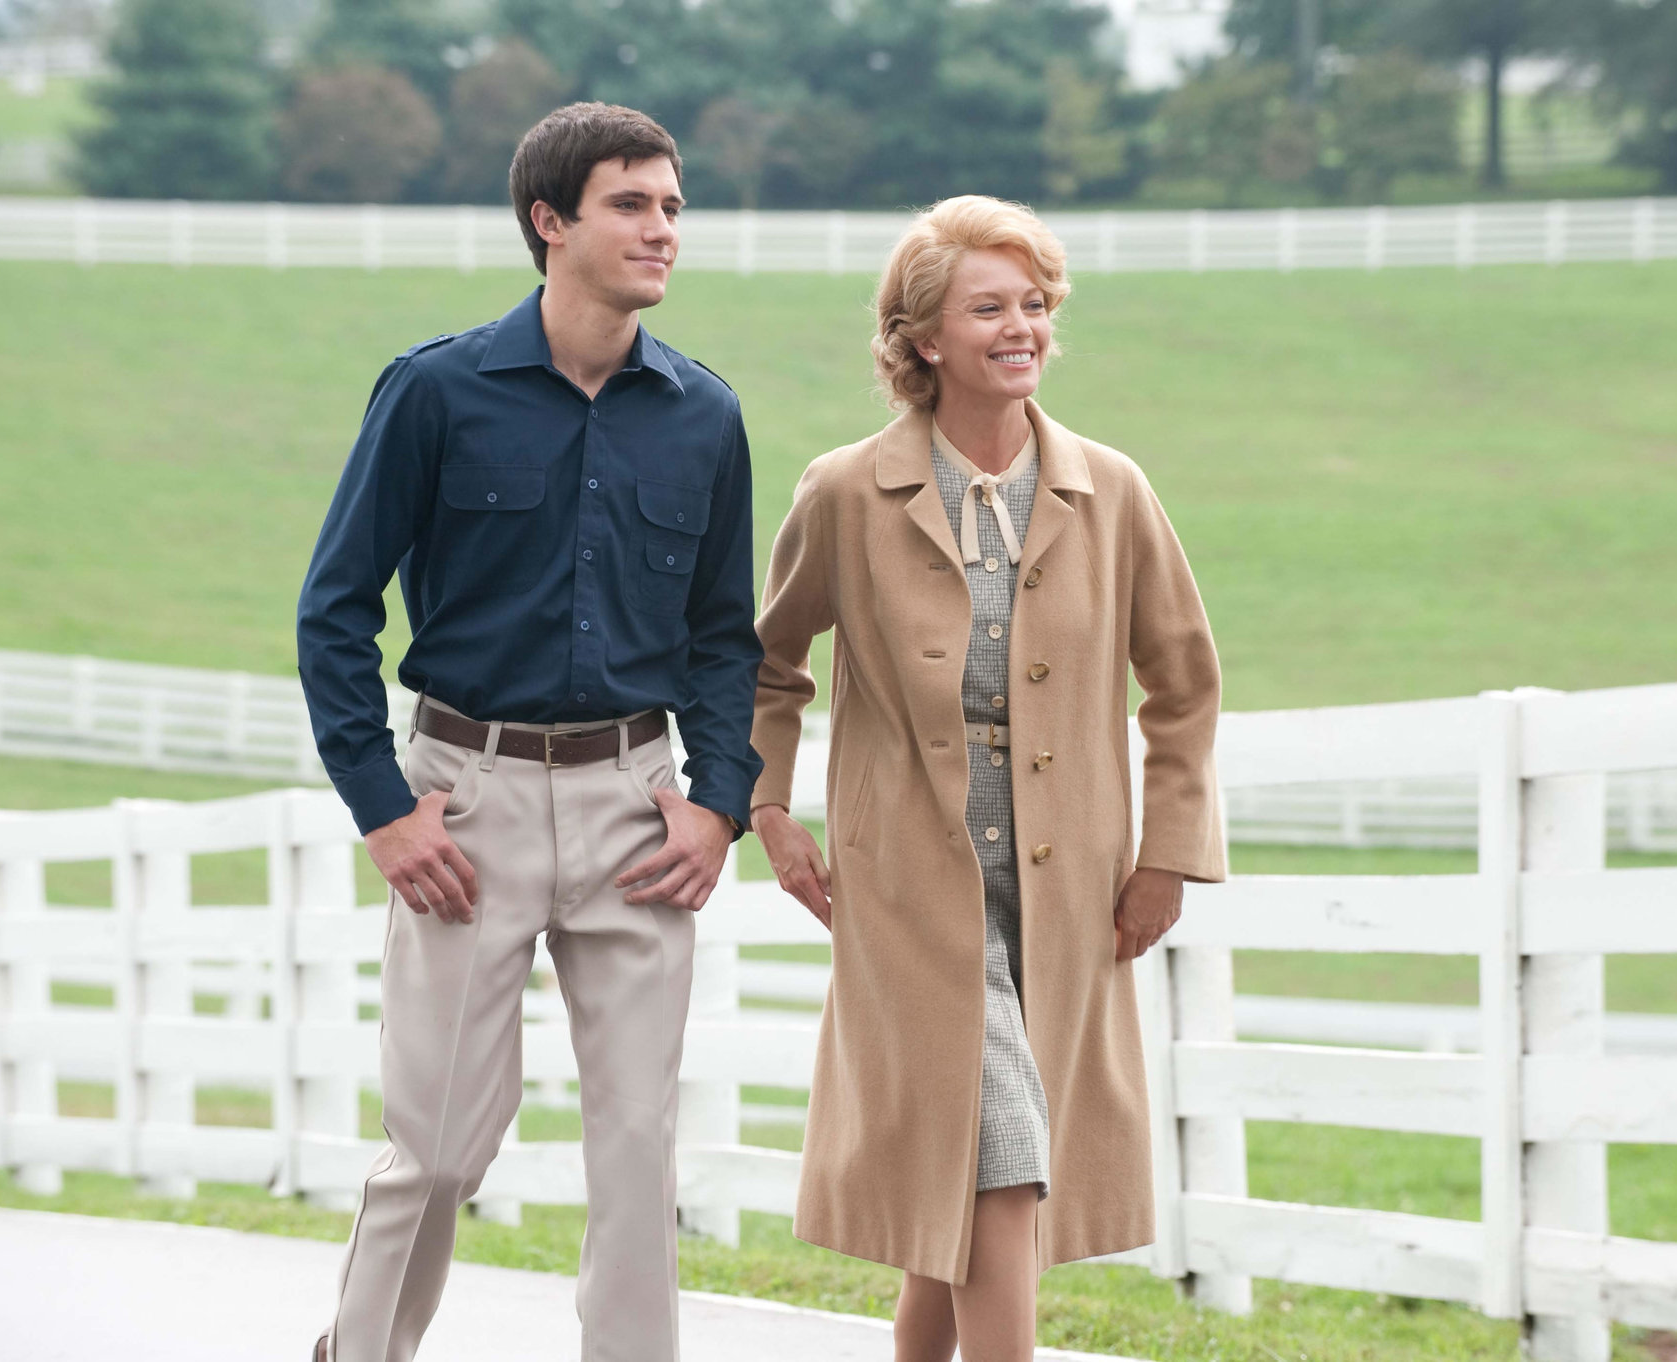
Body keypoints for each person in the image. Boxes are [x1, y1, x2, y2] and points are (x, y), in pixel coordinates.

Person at [294, 102, 763, 1362]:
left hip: (635, 805)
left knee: (633, 1147)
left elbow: (726, 638)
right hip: (465, 804)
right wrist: (382, 810)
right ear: (548, 223)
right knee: (439, 1144)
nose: (662, 228)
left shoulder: (704, 416)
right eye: (630, 203)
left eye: (671, 205)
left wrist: (718, 799)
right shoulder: (435, 393)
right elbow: (334, 609)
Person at [747, 195, 1227, 1361]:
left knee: (959, 1173)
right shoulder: (845, 492)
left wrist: (1166, 853)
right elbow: (763, 662)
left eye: (1034, 305)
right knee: (1003, 1155)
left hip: (1067, 886)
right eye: (988, 308)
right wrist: (766, 805)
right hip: (905, 884)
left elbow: (1183, 683)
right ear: (921, 340)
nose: (1021, 328)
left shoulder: (1110, 490)